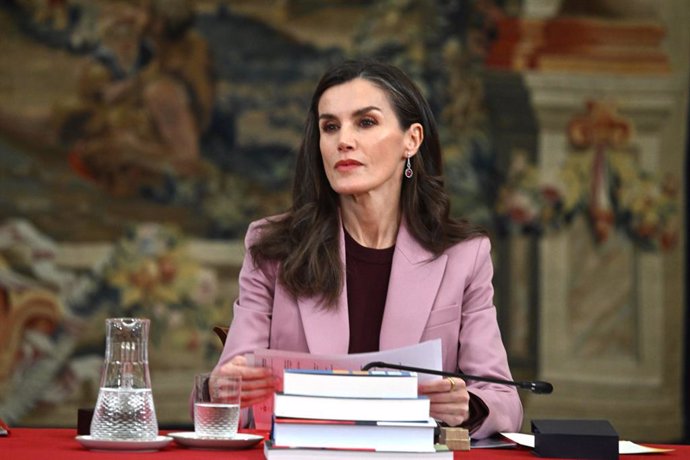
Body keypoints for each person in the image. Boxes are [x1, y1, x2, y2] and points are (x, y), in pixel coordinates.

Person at [211, 59, 523, 439]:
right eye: (330, 127)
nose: (343, 139)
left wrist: (468, 406)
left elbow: (504, 399)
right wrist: (227, 387)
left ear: (412, 140)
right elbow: (229, 385)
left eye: (366, 122)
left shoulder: (464, 256)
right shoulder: (272, 247)